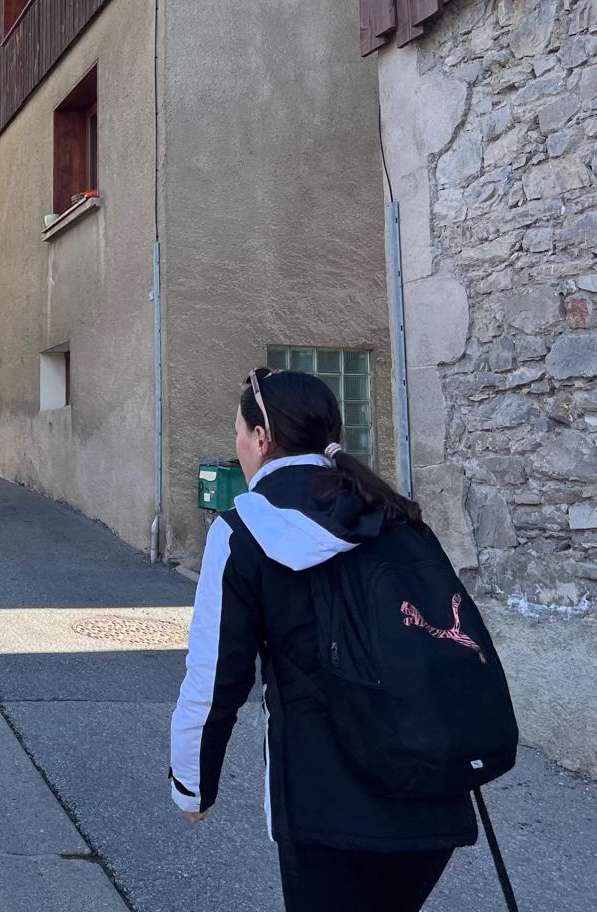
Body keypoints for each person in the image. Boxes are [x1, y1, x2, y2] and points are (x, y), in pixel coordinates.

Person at [170, 369, 479, 912]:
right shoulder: (392, 512)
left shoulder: (243, 531)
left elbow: (216, 675)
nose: (237, 444)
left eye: (239, 432)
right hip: (432, 787)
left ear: (261, 437)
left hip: (324, 798)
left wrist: (192, 784)